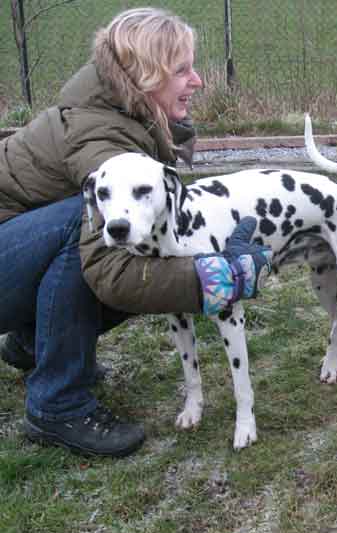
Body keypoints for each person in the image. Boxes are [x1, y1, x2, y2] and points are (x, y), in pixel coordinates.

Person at [0, 8, 270, 458]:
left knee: (127, 232)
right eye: (181, 70)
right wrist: (218, 278)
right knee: (102, 225)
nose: (197, 80)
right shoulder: (102, 139)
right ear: (146, 77)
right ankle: (57, 402)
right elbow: (113, 271)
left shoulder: (124, 115)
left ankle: (33, 343)